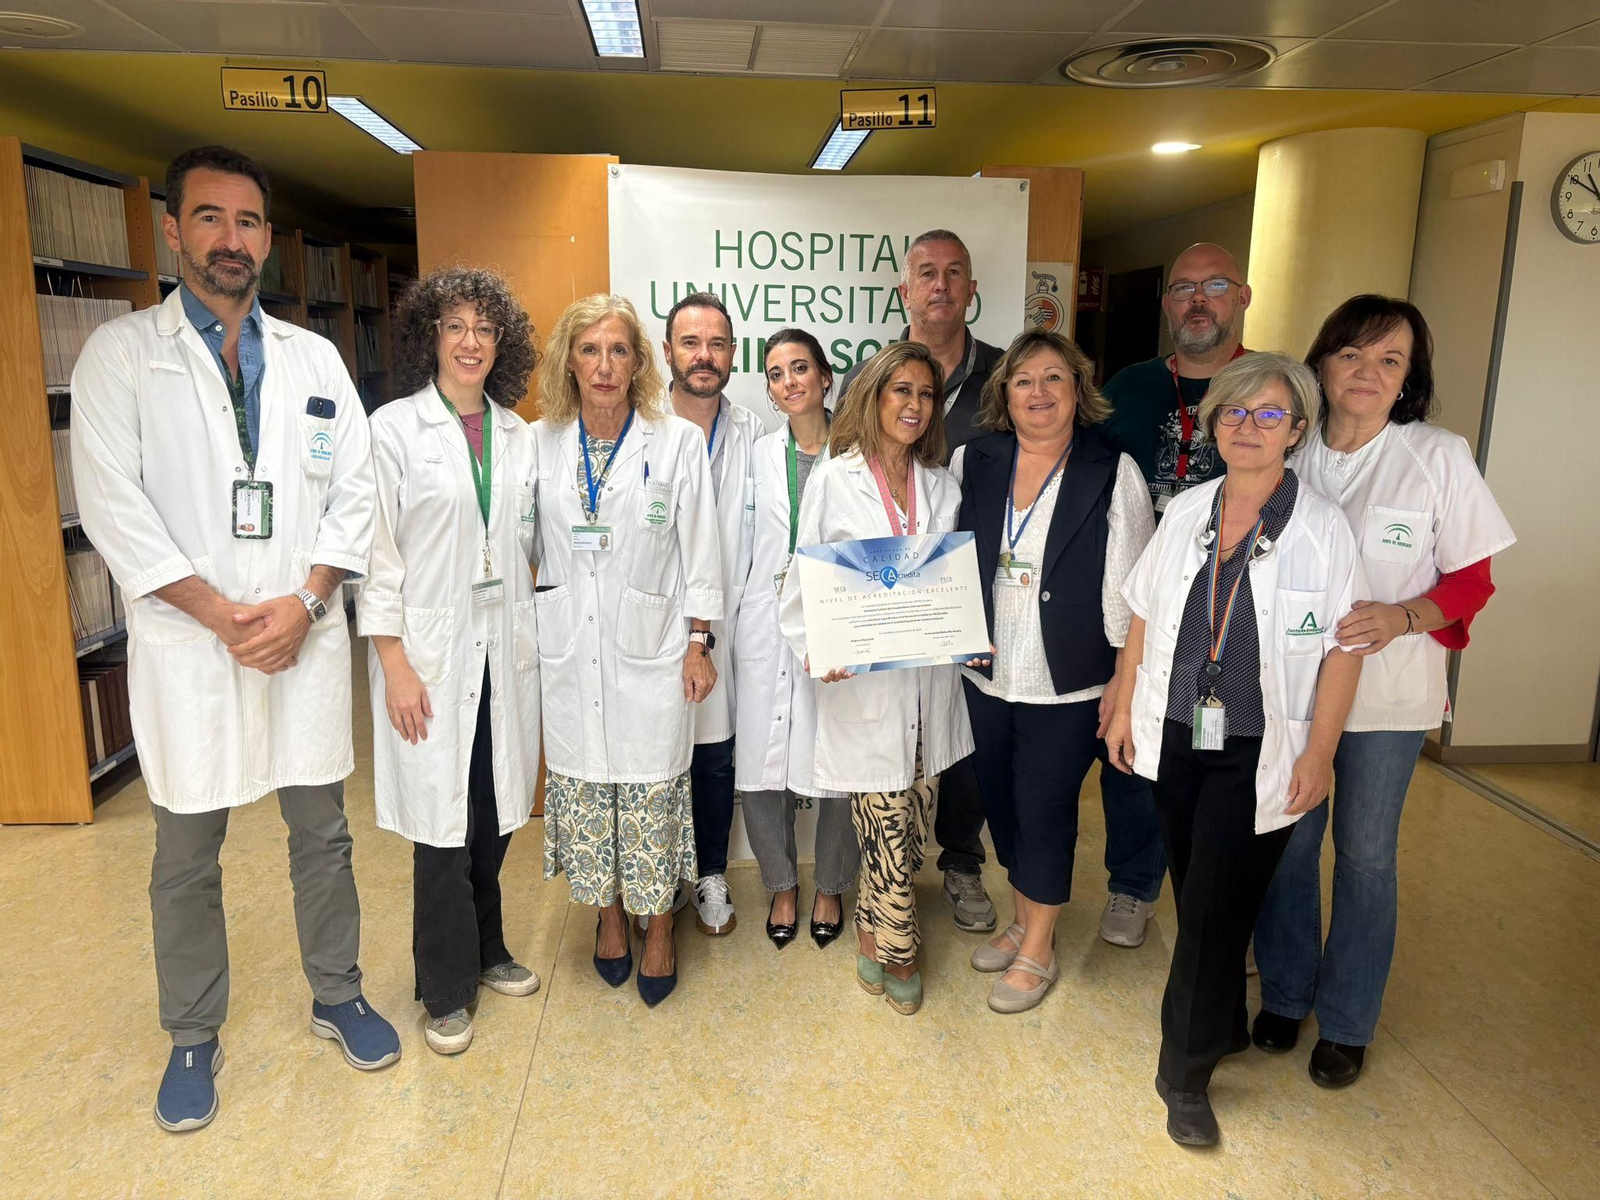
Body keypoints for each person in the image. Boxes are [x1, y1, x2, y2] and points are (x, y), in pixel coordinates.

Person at [69, 145, 396, 1133]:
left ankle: (336, 994)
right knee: (185, 849)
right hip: (191, 645)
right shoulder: (122, 356)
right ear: (173, 231)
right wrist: (220, 614)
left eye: (248, 223)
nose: (230, 240)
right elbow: (114, 510)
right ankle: (192, 1032)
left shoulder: (314, 358)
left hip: (297, 631)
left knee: (323, 833)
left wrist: (303, 602)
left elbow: (356, 493)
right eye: (209, 219)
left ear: (267, 239)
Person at [1251, 296, 1515, 1087]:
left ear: (1409, 380)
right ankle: (1287, 995)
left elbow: (1474, 579)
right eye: (1352, 355)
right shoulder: (1288, 451)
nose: (1368, 373)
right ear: (1322, 363)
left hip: (1388, 699)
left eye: (1389, 361)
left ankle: (1349, 1020)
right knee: (1289, 845)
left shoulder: (1436, 455)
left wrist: (1405, 615)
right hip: (1293, 693)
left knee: (1365, 856)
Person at [1106, 352, 1364, 1147]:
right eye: (1233, 413)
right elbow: (1144, 611)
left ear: (1298, 429)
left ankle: (1182, 1073)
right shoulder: (1189, 508)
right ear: (1213, 424)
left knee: (1217, 913)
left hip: (1262, 747)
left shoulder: (1323, 528)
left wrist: (1319, 753)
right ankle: (1216, 1023)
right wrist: (1121, 700)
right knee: (1200, 895)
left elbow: (1343, 651)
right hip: (1179, 734)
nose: (1247, 428)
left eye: (1268, 415)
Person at [359, 266, 544, 1055]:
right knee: (441, 822)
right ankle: (444, 985)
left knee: (493, 810)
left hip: (506, 646)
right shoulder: (394, 430)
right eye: (455, 326)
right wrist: (395, 662)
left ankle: (488, 946)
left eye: (484, 329)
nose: (470, 342)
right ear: (428, 336)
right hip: (429, 655)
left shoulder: (518, 434)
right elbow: (377, 556)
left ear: (501, 345)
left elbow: (535, 544)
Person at [950, 329, 1155, 1014]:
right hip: (985, 675)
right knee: (1002, 807)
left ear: (1078, 391)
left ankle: (1039, 943)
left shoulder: (1111, 469)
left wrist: (1124, 689)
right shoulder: (973, 460)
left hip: (1069, 682)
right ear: (1003, 394)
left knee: (1043, 808)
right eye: (1023, 380)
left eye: (1053, 379)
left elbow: (1132, 594)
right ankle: (1021, 917)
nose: (1037, 393)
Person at [532, 294, 722, 1007]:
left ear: (639, 362)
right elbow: (520, 541)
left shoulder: (675, 442)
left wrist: (699, 643)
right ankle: (609, 918)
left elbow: (702, 554)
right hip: (569, 647)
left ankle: (660, 924)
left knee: (648, 786)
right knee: (585, 787)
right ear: (568, 362)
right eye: (589, 350)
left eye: (619, 351)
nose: (604, 366)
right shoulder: (540, 441)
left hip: (654, 647)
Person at [779, 341, 980, 1016]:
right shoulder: (836, 479)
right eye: (901, 391)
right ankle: (899, 946)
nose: (914, 406)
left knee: (909, 827)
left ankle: (868, 924)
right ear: (873, 396)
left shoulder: (944, 484)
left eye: (925, 394)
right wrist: (816, 647)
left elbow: (951, 581)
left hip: (929, 689)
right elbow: (804, 576)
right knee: (887, 825)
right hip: (863, 684)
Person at [1090, 240, 1254, 951]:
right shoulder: (1125, 389)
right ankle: (1132, 886)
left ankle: (1218, 905)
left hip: (1234, 611)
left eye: (1214, 285)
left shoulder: (1270, 389)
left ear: (1241, 297)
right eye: (1184, 286)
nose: (1197, 299)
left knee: (1219, 757)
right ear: (1166, 304)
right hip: (1134, 604)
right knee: (1125, 741)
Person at [840, 227, 1004, 934]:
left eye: (954, 273)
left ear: (972, 290)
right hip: (883, 630)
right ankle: (890, 912)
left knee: (955, 753)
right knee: (896, 761)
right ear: (904, 290)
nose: (940, 286)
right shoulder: (864, 377)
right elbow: (840, 520)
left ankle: (961, 865)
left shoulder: (1006, 375)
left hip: (974, 597)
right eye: (926, 273)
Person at [735, 328, 858, 949]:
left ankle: (832, 885)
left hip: (835, 616)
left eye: (800, 368)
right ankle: (782, 882)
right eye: (776, 373)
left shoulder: (859, 451)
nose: (789, 382)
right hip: (762, 621)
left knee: (838, 760)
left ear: (826, 376)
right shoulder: (756, 455)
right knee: (760, 762)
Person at [656, 291, 757, 939]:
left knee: (716, 757)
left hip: (731, 625)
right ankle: (660, 874)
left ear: (732, 355)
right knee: (659, 757)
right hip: (656, 626)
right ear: (668, 352)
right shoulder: (643, 428)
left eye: (717, 344)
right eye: (690, 343)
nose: (703, 355)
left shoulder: (753, 433)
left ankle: (712, 873)